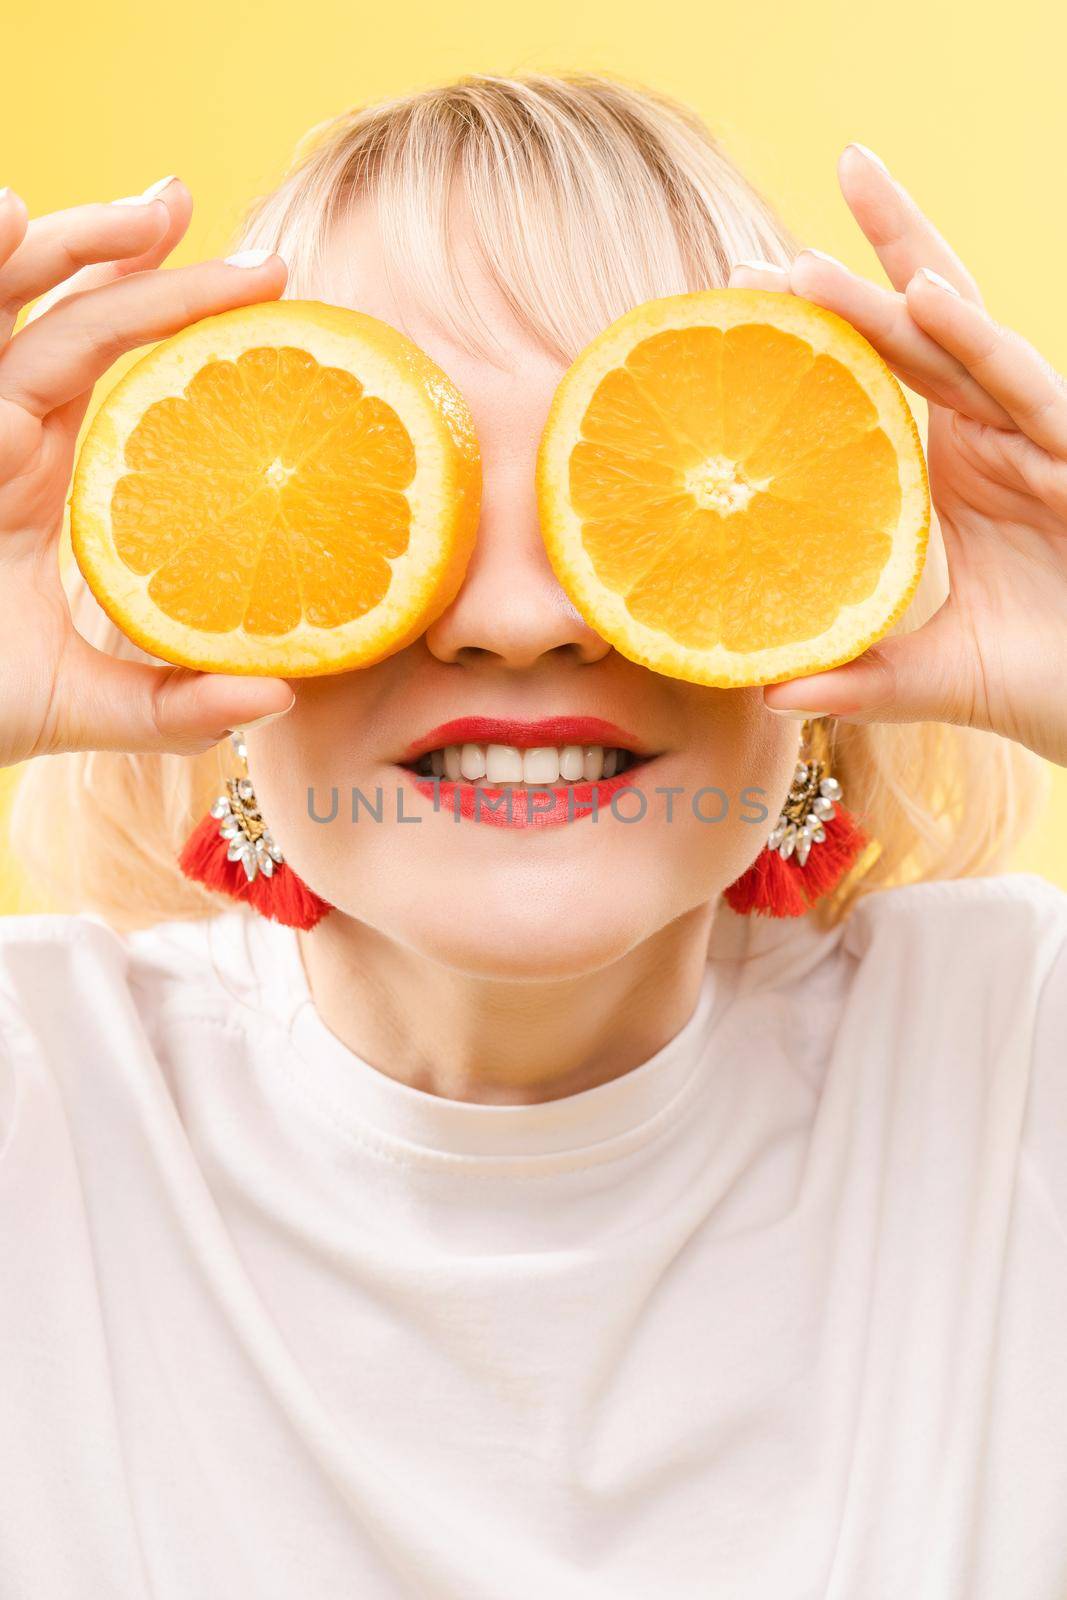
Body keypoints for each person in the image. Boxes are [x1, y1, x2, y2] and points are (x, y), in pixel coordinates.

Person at [1, 69, 1065, 1600]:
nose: (517, 621)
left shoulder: (1017, 1069)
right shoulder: (41, 1107)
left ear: (832, 594)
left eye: (634, 493)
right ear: (202, 601)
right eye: (399, 488)